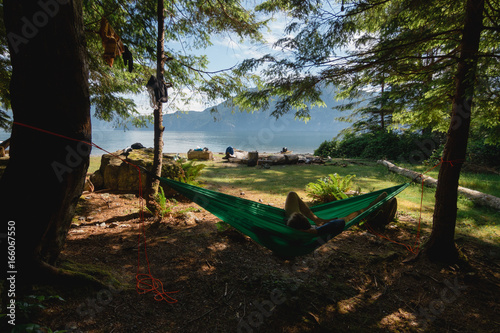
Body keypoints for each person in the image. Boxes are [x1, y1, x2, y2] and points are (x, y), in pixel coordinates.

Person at [284, 191, 388, 236]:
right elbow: (339, 223)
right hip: (299, 226)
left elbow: (292, 195)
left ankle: (317, 219)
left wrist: (315, 221)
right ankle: (371, 206)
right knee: (350, 217)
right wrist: (317, 231)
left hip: (292, 222)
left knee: (292, 194)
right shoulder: (307, 234)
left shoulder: (293, 221)